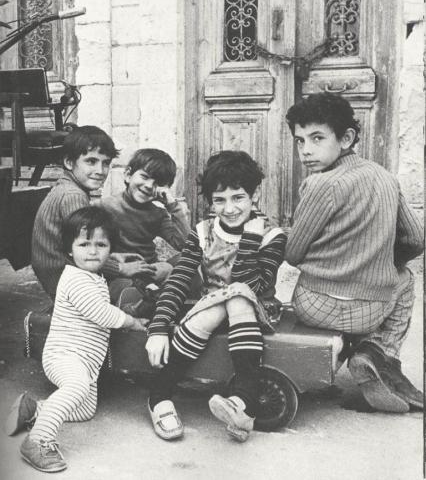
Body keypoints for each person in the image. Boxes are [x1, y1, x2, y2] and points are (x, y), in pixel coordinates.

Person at [285, 92, 424, 413]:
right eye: (300, 141)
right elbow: (417, 239)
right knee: (405, 279)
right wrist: (381, 265)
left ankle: (370, 354)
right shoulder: (386, 178)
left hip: (315, 305)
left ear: (346, 138)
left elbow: (293, 254)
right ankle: (377, 350)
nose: (306, 150)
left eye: (317, 138)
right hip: (372, 310)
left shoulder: (319, 184)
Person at [145, 150, 286, 443]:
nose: (229, 208)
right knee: (222, 301)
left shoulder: (272, 235)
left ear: (255, 195)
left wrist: (250, 240)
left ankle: (241, 398)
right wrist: (158, 329)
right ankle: (163, 396)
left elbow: (253, 285)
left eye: (238, 197)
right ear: (210, 201)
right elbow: (180, 278)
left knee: (236, 296)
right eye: (219, 200)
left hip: (255, 313)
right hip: (210, 312)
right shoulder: (203, 231)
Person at [5, 206, 147, 473]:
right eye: (84, 244)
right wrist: (132, 321)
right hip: (64, 356)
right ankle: (38, 441)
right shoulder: (76, 279)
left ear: (110, 249)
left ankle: (34, 409)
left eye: (101, 245)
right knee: (77, 387)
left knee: (85, 409)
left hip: (84, 361)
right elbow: (101, 313)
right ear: (69, 250)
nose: (92, 251)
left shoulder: (93, 276)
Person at [32, 125, 119, 301]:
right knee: (130, 288)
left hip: (60, 274)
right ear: (69, 162)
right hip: (66, 282)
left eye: (106, 163)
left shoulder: (68, 187)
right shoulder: (73, 196)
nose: (100, 171)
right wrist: (120, 268)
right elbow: (86, 251)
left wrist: (117, 258)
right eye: (91, 161)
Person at [99, 148, 191, 306]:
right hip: (121, 273)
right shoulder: (104, 207)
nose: (149, 185)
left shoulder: (158, 214)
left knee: (189, 260)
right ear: (128, 175)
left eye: (157, 183)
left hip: (149, 270)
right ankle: (147, 302)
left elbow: (185, 245)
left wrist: (173, 207)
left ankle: (156, 296)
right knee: (127, 292)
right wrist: (118, 267)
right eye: (145, 177)